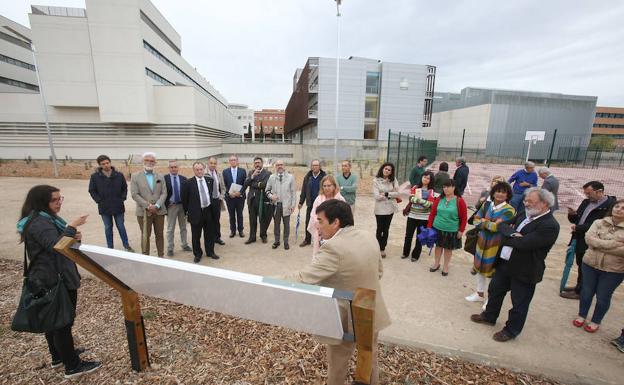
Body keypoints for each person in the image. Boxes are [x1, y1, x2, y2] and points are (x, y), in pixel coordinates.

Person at [282, 199, 391, 385]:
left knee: (338, 361)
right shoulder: (368, 236)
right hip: (369, 305)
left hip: (346, 316)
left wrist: (263, 281)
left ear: (336, 222)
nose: (316, 225)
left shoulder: (333, 248)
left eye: (320, 220)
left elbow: (303, 277)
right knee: (368, 355)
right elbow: (379, 272)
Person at [17, 185, 101, 378]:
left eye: (60, 198)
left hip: (50, 276)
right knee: (62, 322)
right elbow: (55, 245)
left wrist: (72, 236)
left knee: (53, 320)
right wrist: (71, 227)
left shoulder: (43, 219)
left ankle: (58, 356)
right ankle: (72, 366)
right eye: (54, 200)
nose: (59, 203)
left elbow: (57, 241)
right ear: (41, 202)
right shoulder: (39, 222)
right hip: (54, 278)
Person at [471, 188, 560, 342]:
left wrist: (508, 236)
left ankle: (511, 330)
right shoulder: (524, 214)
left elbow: (525, 244)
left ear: (544, 204)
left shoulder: (549, 225)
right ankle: (489, 316)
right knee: (495, 290)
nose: (526, 203)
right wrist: (512, 234)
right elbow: (502, 226)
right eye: (525, 200)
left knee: (519, 302)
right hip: (505, 263)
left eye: (530, 201)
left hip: (525, 269)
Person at [572, 199, 624, 333]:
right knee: (586, 292)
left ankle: (596, 321)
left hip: (613, 270)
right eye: (617, 206)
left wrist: (599, 244)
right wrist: (614, 243)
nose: (618, 209)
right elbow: (589, 240)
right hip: (590, 264)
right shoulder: (599, 222)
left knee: (603, 296)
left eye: (623, 208)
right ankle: (582, 315)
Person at [562, 181, 617, 300]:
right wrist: (572, 215)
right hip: (579, 237)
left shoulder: (610, 206)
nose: (587, 196)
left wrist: (579, 228)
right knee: (580, 263)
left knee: (586, 266)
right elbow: (577, 219)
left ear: (600, 192)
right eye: (586, 193)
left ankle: (581, 292)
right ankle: (579, 286)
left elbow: (601, 225)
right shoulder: (586, 202)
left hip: (593, 241)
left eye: (589, 193)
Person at [466, 182, 515, 305]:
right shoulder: (487, 205)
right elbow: (476, 220)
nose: (500, 194)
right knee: (480, 267)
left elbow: (497, 228)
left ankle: (490, 300)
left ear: (508, 195)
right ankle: (479, 293)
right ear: (493, 193)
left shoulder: (510, 210)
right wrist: (489, 223)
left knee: (493, 272)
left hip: (496, 244)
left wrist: (484, 222)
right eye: (497, 191)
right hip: (481, 242)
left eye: (503, 192)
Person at [88, 154, 133, 252]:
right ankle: (110, 248)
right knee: (108, 227)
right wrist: (99, 200)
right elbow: (92, 190)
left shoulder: (118, 175)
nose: (106, 165)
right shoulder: (95, 177)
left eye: (107, 163)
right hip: (104, 207)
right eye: (103, 164)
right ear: (99, 165)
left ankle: (126, 245)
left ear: (110, 162)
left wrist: (122, 198)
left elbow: (124, 188)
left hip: (118, 206)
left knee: (121, 226)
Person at [427, 179, 468, 275]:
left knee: (448, 249)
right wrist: (429, 227)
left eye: (448, 186)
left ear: (453, 187)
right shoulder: (439, 199)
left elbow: (464, 217)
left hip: (451, 229)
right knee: (438, 247)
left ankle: (445, 266)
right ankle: (436, 263)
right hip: (437, 227)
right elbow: (432, 214)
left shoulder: (459, 201)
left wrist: (461, 230)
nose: (446, 189)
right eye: (444, 187)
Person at [130, 152, 167, 257]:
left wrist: (157, 206)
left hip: (159, 211)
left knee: (159, 235)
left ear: (155, 162)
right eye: (147, 160)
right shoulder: (135, 176)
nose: (149, 162)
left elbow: (164, 193)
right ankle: (145, 257)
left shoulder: (160, 176)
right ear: (143, 161)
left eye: (151, 161)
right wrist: (148, 206)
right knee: (145, 235)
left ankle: (161, 256)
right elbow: (134, 194)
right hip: (143, 212)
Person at [181, 161, 219, 262]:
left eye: (201, 169)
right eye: (197, 169)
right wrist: (188, 212)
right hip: (195, 213)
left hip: (208, 211)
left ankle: (210, 251)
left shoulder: (209, 180)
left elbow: (211, 195)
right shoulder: (188, 183)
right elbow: (184, 200)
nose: (199, 171)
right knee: (196, 236)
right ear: (194, 170)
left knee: (209, 234)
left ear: (204, 169)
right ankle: (197, 254)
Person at [402, 170, 437, 261]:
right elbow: (411, 198)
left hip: (424, 218)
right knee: (408, 235)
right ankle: (405, 253)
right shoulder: (415, 187)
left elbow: (431, 204)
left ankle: (415, 255)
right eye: (424, 177)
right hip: (412, 215)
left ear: (431, 180)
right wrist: (423, 202)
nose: (425, 179)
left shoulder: (431, 191)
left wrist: (419, 200)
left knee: (420, 237)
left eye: (428, 178)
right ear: (421, 177)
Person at [308, 175, 346, 255]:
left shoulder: (340, 199)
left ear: (334, 186)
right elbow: (313, 215)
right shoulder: (318, 199)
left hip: (336, 232)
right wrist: (321, 226)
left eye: (329, 185)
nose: (326, 188)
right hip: (321, 232)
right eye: (324, 186)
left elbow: (344, 217)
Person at [265, 159, 297, 250]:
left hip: (286, 205)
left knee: (286, 225)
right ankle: (277, 241)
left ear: (284, 166)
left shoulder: (290, 177)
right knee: (276, 224)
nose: (279, 166)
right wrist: (271, 196)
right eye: (278, 165)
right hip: (276, 205)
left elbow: (293, 192)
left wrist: (293, 205)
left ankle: (286, 242)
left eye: (281, 164)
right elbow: (266, 190)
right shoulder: (271, 177)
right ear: (275, 166)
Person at [164, 160, 192, 257]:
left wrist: (187, 206)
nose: (174, 169)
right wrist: (165, 204)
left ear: (178, 168)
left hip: (182, 206)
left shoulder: (184, 179)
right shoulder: (164, 179)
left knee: (183, 227)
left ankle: (184, 245)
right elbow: (162, 193)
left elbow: (187, 194)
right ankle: (170, 248)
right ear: (169, 168)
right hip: (171, 206)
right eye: (171, 167)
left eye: (175, 167)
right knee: (170, 228)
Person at [373, 162, 401, 258]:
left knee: (386, 229)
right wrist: (390, 193)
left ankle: (382, 248)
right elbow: (376, 196)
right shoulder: (376, 180)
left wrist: (385, 194)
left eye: (389, 170)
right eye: (385, 169)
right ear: (382, 169)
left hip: (390, 209)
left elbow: (397, 193)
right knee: (379, 229)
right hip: (379, 209)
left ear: (391, 172)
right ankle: (377, 248)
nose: (387, 171)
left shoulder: (393, 180)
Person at [244, 157, 272, 244]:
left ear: (262, 163)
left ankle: (263, 235)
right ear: (253, 164)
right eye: (255, 163)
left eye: (259, 162)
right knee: (252, 219)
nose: (257, 164)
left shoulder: (268, 173)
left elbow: (265, 184)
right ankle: (252, 237)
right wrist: (252, 177)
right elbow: (246, 184)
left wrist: (253, 183)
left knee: (263, 219)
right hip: (252, 200)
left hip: (262, 199)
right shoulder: (251, 173)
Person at [299, 159, 326, 247]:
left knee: (322, 222)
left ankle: (321, 240)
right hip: (310, 204)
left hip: (321, 204)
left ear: (320, 167)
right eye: (313, 165)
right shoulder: (308, 177)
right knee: (308, 222)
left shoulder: (324, 177)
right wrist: (301, 202)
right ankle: (307, 239)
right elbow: (303, 190)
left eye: (316, 165)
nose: (315, 167)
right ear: (311, 167)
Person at [222, 155, 247, 238]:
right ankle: (233, 231)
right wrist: (228, 193)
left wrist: (240, 193)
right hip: (230, 198)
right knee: (231, 215)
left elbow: (245, 184)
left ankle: (241, 230)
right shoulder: (225, 172)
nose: (233, 161)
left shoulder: (242, 171)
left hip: (240, 197)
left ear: (237, 161)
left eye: (234, 160)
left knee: (240, 214)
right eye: (231, 160)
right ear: (229, 162)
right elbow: (224, 184)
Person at [207, 157, 226, 246]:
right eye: (211, 163)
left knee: (216, 221)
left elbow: (222, 187)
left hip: (217, 201)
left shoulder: (219, 174)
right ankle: (210, 238)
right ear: (208, 164)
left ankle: (217, 238)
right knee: (208, 221)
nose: (213, 165)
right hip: (207, 202)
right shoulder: (204, 174)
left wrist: (221, 196)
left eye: (214, 163)